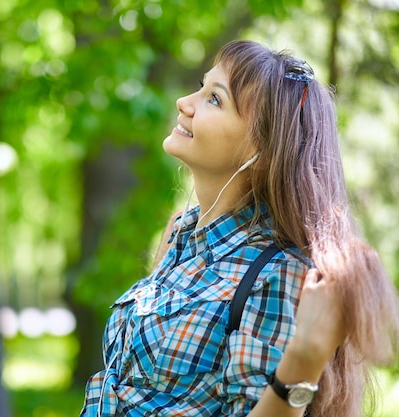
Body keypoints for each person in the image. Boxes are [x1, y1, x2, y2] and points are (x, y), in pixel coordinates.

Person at [80, 40, 399, 417]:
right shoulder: (181, 236)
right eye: (201, 87)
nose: (185, 102)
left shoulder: (276, 274)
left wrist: (304, 360)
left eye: (214, 99)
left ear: (260, 150)